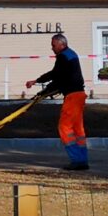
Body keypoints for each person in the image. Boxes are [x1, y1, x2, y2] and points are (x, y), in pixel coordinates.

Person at [27, 33, 88, 170]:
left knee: (64, 127)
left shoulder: (63, 56)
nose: (52, 48)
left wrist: (41, 87)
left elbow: (56, 75)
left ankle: (77, 160)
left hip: (72, 96)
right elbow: (61, 77)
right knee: (78, 129)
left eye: (53, 45)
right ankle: (83, 160)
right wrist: (44, 87)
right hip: (79, 94)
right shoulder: (71, 54)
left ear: (62, 44)